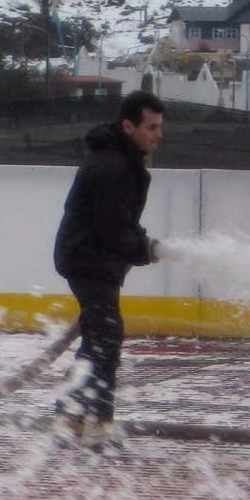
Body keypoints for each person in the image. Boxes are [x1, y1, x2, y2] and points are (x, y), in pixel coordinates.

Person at [51, 90, 166, 452]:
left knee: (100, 340)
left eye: (160, 127)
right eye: (151, 127)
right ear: (128, 126)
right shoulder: (112, 166)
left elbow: (124, 222)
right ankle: (97, 425)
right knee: (106, 341)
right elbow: (113, 229)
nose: (158, 134)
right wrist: (143, 250)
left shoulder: (124, 161)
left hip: (96, 261)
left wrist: (142, 243)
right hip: (88, 262)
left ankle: (70, 417)